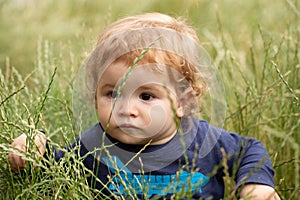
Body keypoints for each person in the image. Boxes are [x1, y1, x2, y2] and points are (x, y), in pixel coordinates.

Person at [8, 13, 280, 199]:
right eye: (112, 94)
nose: (126, 109)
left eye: (146, 96)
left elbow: (249, 150)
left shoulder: (203, 141)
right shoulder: (93, 147)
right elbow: (56, 168)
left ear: (183, 102)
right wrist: (34, 148)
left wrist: (255, 185)